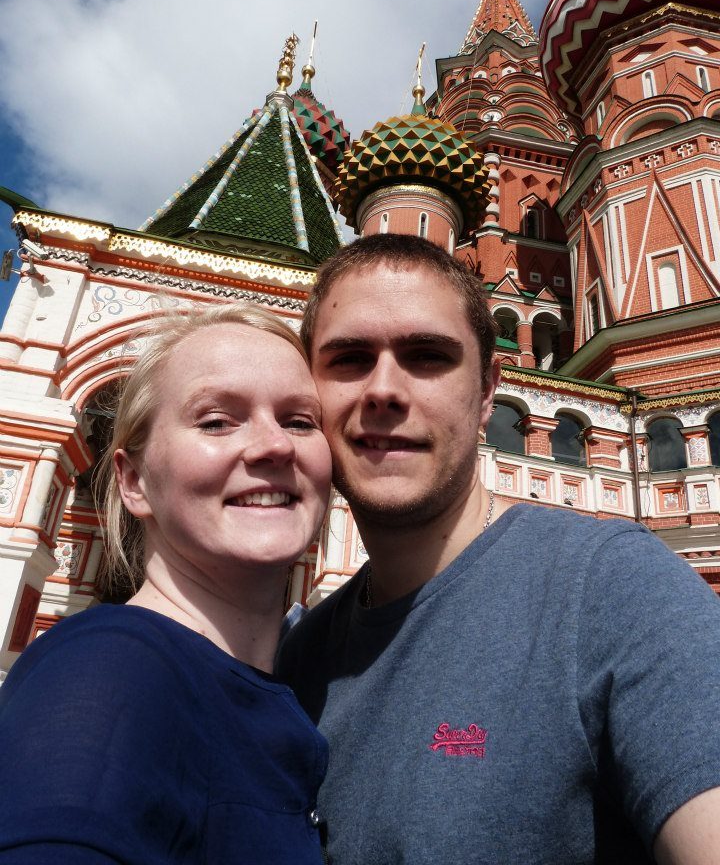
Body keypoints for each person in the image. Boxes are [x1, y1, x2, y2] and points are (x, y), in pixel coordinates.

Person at [277, 233, 720, 865]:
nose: (384, 390)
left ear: (489, 393)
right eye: (348, 358)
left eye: (427, 355)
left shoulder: (613, 590)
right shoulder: (300, 661)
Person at [0, 303, 332, 864]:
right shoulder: (111, 671)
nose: (274, 445)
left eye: (300, 420)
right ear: (133, 482)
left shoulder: (291, 687)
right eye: (216, 420)